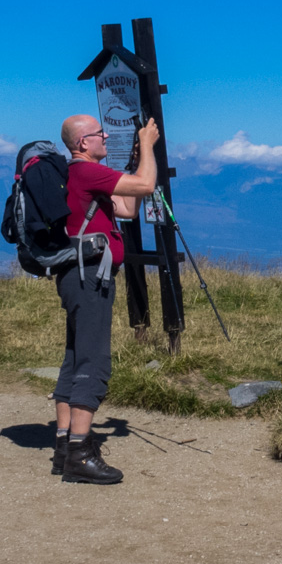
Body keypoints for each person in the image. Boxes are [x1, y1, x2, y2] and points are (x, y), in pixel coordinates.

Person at [49, 112, 161, 484]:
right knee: (94, 362)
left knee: (75, 357)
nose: (106, 138)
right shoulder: (85, 172)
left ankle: (65, 444)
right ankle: (80, 453)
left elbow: (128, 208)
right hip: (90, 277)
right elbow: (145, 186)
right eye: (100, 134)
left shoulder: (79, 176)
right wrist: (146, 146)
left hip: (76, 275)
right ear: (83, 143)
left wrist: (133, 163)